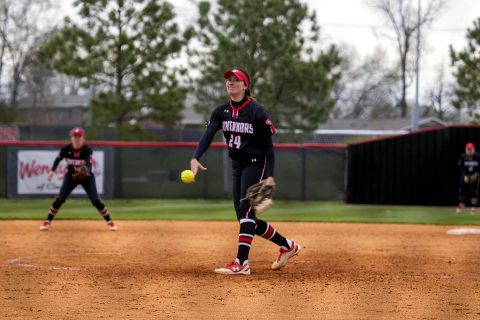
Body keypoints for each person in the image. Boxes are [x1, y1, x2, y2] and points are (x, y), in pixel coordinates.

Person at [191, 68, 301, 275]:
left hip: (256, 163)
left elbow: (268, 146)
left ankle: (242, 263)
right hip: (237, 165)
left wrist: (270, 176)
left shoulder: (256, 111)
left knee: (246, 213)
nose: (230, 83)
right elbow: (207, 135)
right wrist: (195, 157)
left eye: (236, 80)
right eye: (228, 80)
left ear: (245, 86)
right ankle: (288, 246)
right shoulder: (220, 111)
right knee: (245, 218)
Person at [40, 127, 117, 231]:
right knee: (60, 199)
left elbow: (88, 164)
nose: (76, 139)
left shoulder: (87, 149)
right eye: (74, 136)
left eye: (79, 137)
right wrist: (52, 171)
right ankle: (47, 222)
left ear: (83, 138)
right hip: (71, 177)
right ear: (71, 138)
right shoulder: (66, 149)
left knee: (96, 201)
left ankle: (110, 222)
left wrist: (85, 171)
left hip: (86, 178)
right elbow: (58, 159)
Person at [457, 142, 480, 215]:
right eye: (468, 149)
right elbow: (460, 167)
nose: (469, 151)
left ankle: (473, 207)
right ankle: (461, 204)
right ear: (466, 149)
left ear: (474, 149)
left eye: (471, 149)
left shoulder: (478, 156)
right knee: (461, 190)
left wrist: (476, 174)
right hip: (466, 176)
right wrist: (464, 175)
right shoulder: (463, 157)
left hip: (474, 176)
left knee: (474, 192)